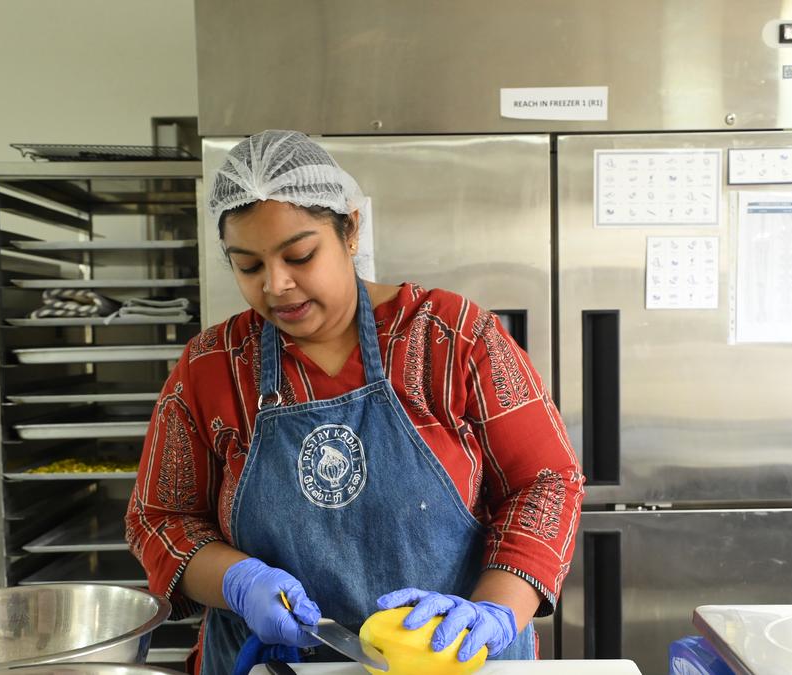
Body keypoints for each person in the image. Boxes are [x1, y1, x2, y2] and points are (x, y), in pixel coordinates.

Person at [126, 130, 585, 674]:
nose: (276, 285)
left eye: (299, 255)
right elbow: (160, 518)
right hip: (275, 665)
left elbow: (547, 481)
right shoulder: (211, 366)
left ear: (350, 229)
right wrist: (238, 581)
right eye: (247, 266)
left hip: (454, 663)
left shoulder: (452, 337)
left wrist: (495, 609)